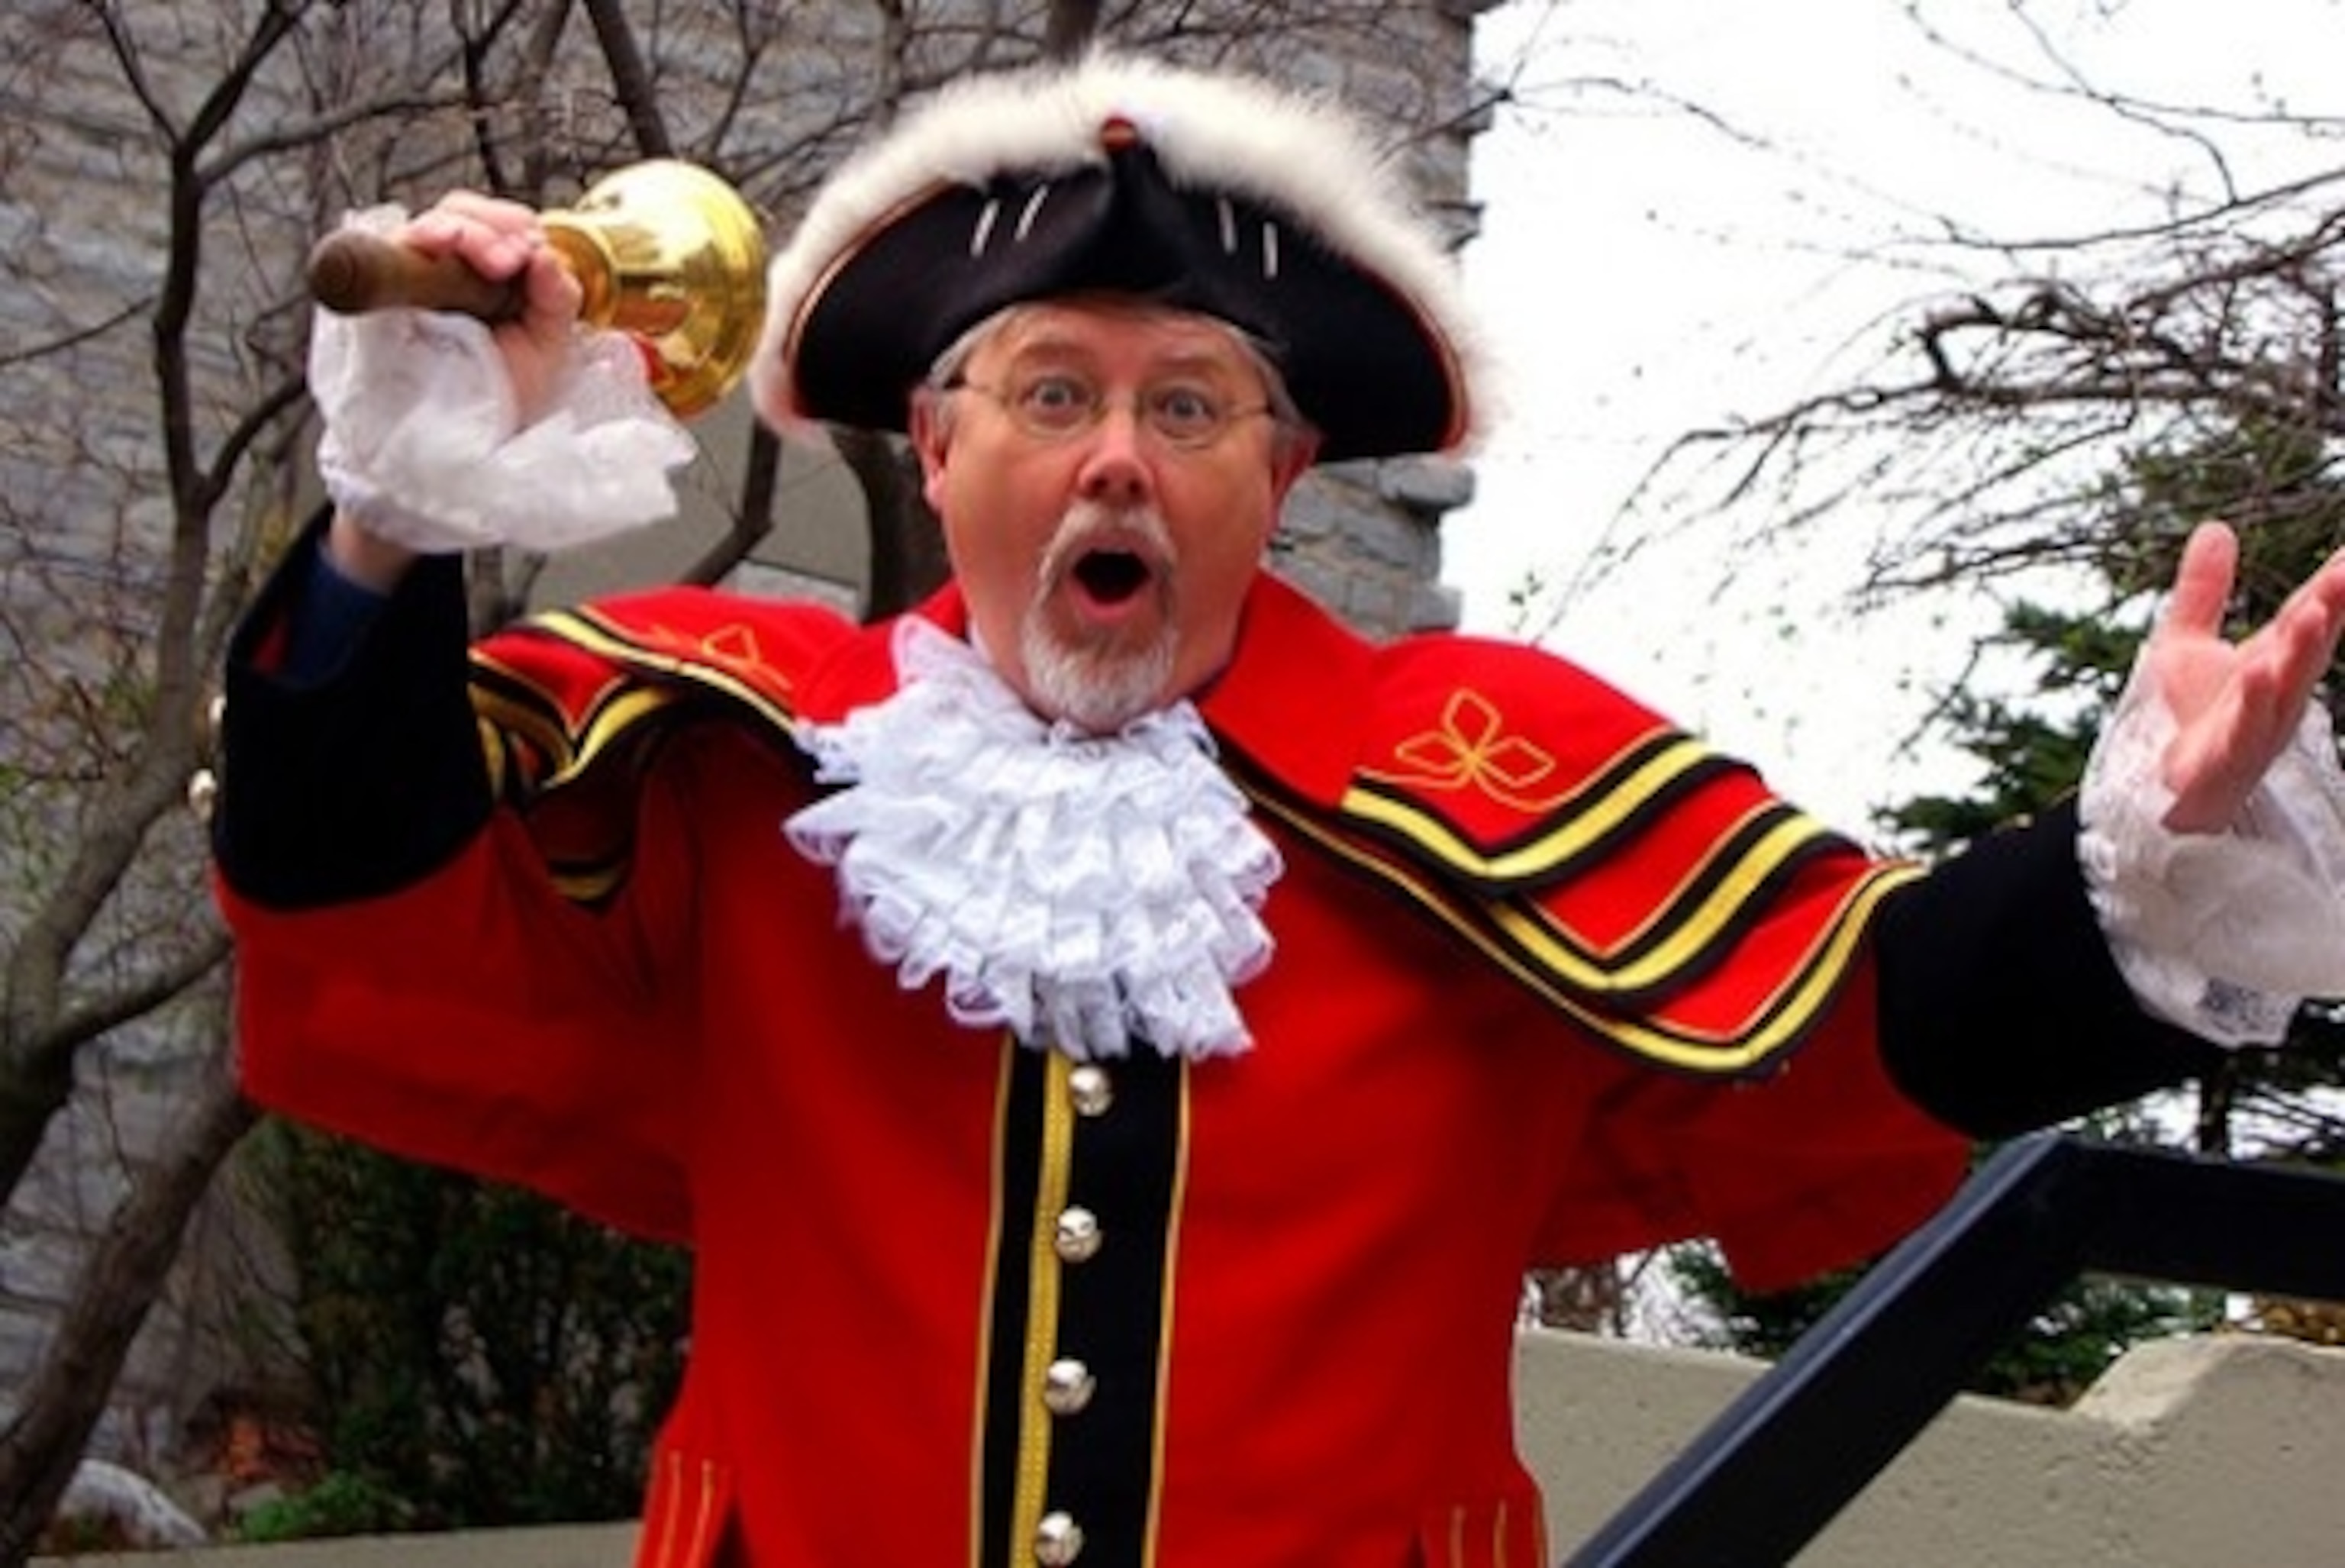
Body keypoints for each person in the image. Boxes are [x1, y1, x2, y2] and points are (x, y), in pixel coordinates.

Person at [211, 50, 2345, 1568]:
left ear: (1285, 478)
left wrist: (2144, 865)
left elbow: (1852, 1014)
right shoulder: (741, 771)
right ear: (937, 451)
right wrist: (394, 519)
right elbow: (367, 889)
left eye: (1191, 406)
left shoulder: (1495, 774)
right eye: (1054, 392)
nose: (1117, 458)